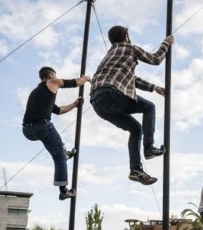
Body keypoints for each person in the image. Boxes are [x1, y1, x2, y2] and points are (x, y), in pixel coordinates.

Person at [90, 26, 174, 185]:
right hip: (112, 94)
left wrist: (154, 88)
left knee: (135, 129)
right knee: (149, 107)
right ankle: (149, 147)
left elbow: (131, 79)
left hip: (98, 103)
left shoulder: (109, 56)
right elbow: (155, 59)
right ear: (126, 37)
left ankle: (135, 170)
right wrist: (166, 43)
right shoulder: (130, 48)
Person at [22, 66, 90, 199]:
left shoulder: (39, 94)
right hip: (41, 126)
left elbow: (59, 110)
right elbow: (74, 83)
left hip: (28, 131)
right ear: (50, 76)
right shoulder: (51, 82)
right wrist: (86, 79)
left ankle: (64, 152)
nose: (57, 79)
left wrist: (74, 104)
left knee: (56, 150)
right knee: (59, 158)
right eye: (55, 76)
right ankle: (63, 191)